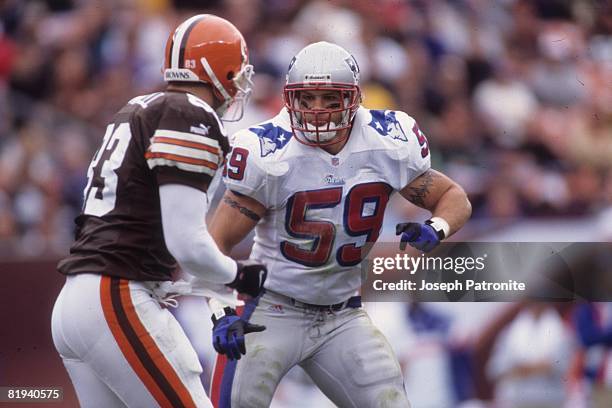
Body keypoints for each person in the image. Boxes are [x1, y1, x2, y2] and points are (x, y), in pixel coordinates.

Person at [207, 41, 472, 408]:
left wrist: (436, 228)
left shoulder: (385, 141)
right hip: (271, 309)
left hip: (343, 316)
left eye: (331, 98)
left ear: (354, 98)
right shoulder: (267, 151)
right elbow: (215, 243)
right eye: (308, 98)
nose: (317, 110)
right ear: (291, 99)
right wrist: (220, 311)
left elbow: (453, 197)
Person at [51, 14, 267, 408]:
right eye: (237, 72)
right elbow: (186, 242)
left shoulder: (141, 106)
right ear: (220, 69)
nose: (238, 85)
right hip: (116, 296)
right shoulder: (188, 115)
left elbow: (182, 232)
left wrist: (218, 303)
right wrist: (242, 277)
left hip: (78, 302)